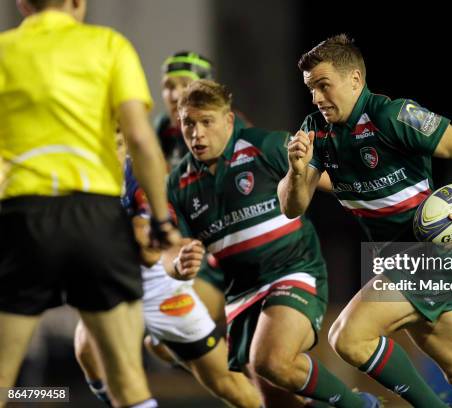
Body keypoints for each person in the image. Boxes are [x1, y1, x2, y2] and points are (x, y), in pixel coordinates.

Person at [278, 34, 452, 407]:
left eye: (324, 85)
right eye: (311, 88)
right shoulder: (316, 132)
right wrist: (297, 172)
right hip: (395, 260)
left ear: (355, 79)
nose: (316, 97)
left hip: (427, 255)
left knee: (348, 336)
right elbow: (292, 207)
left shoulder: (392, 115)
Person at [0, 1, 179, 407]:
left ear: (22, 4)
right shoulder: (109, 45)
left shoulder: (4, 50)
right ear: (79, 3)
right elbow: (140, 138)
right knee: (129, 384)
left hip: (23, 217)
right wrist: (162, 219)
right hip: (95, 218)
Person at [168, 79, 379, 407]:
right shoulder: (178, 184)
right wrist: (179, 265)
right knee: (276, 400)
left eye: (206, 122)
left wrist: (393, 203)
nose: (196, 133)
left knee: (271, 360)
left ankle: (358, 406)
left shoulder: (264, 146)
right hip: (241, 294)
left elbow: (336, 182)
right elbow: (170, 247)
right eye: (188, 124)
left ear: (228, 120)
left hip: (293, 271)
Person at [73, 132, 262, 408]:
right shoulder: (73, 179)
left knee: (228, 384)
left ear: (126, 145)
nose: (109, 154)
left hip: (157, 288)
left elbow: (149, 254)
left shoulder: (142, 176)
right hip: (109, 287)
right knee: (87, 352)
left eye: (116, 145)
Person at [157, 51, 252, 169]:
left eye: (186, 85)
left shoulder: (232, 126)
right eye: (169, 86)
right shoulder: (163, 127)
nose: (175, 96)